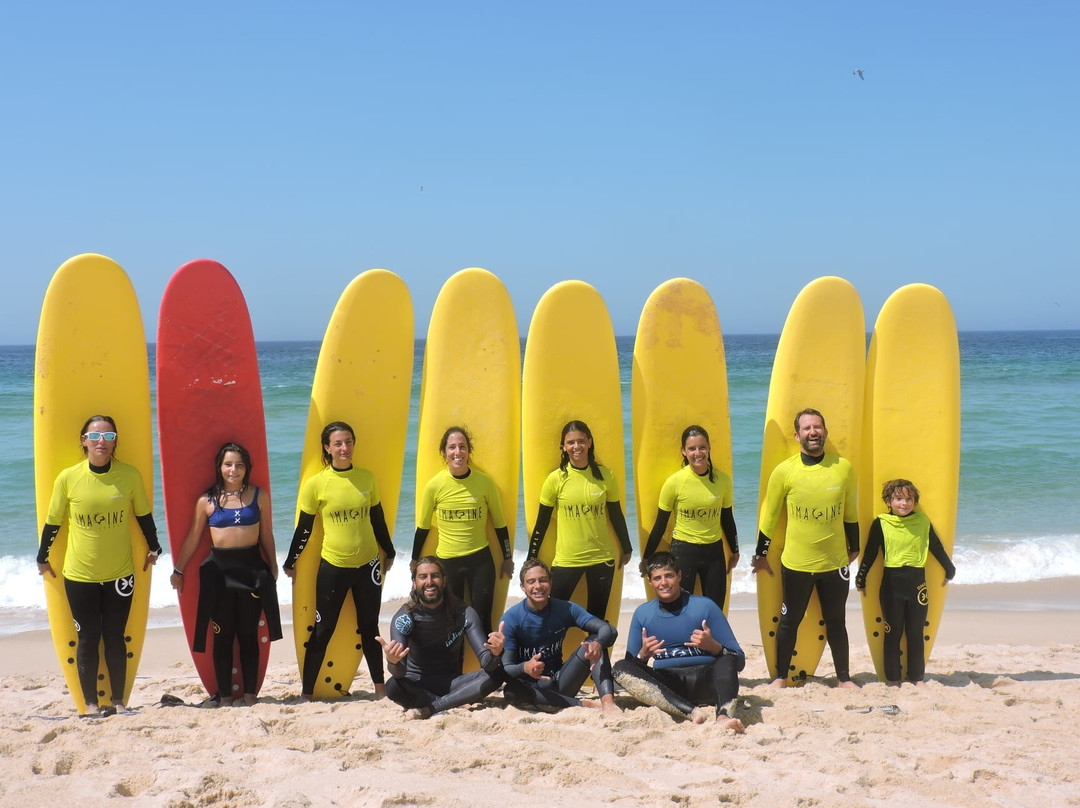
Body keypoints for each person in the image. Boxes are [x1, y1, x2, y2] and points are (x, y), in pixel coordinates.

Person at [36, 415, 164, 716]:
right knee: (88, 637)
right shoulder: (68, 478)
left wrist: (155, 547)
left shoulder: (129, 476)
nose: (101, 442)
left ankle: (118, 703)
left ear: (115, 441)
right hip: (80, 575)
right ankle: (91, 705)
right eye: (95, 436)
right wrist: (42, 557)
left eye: (109, 436)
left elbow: (143, 516)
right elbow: (53, 522)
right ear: (84, 441)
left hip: (121, 574)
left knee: (115, 636)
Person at [283, 421, 397, 699]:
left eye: (348, 442)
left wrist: (389, 551)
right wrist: (290, 561)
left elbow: (377, 518)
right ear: (327, 448)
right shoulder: (317, 485)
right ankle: (307, 692)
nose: (344, 448)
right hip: (333, 567)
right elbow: (305, 528)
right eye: (338, 443)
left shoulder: (367, 478)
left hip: (368, 565)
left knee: (370, 628)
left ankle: (379, 690)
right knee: (323, 629)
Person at [752, 408, 859, 688]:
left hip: (835, 563)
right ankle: (780, 677)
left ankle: (844, 678)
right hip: (797, 564)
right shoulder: (785, 471)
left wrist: (855, 546)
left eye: (818, 427)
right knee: (789, 622)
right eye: (807, 428)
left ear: (825, 431)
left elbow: (850, 512)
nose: (813, 432)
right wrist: (760, 555)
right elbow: (770, 517)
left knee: (837, 622)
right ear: (797, 435)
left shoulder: (843, 468)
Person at [170, 442, 282, 706]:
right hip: (219, 575)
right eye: (228, 464)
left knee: (248, 635)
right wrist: (178, 569)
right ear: (220, 467)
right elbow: (194, 538)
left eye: (239, 465)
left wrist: (273, 566)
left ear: (247, 468)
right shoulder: (206, 501)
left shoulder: (259, 496)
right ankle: (225, 698)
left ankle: (251, 696)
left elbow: (266, 533)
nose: (234, 470)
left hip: (251, 570)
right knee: (222, 636)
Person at [614, 552, 745, 730]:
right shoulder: (643, 614)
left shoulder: (705, 607)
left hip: (707, 682)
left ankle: (723, 716)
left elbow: (739, 660)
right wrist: (642, 657)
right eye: (657, 578)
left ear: (679, 576)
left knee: (726, 659)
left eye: (669, 576)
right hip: (669, 687)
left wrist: (714, 647)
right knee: (620, 667)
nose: (664, 583)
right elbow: (629, 673)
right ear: (650, 582)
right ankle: (690, 711)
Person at [526, 420, 633, 622]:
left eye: (581, 441)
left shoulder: (605, 476)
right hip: (567, 560)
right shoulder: (555, 479)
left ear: (590, 442)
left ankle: (598, 654)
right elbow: (542, 522)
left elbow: (616, 515)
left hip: (601, 559)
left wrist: (627, 548)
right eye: (571, 443)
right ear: (564, 447)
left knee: (597, 621)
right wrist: (532, 556)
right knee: (552, 618)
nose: (577, 447)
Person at [855, 478, 956, 686]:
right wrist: (861, 578)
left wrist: (950, 568)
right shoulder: (881, 523)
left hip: (917, 584)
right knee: (892, 633)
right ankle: (892, 679)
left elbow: (935, 547)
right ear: (888, 501)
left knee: (915, 633)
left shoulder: (922, 521)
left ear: (915, 501)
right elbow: (870, 553)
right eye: (899, 499)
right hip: (891, 585)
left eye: (909, 499)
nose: (904, 503)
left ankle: (917, 677)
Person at [412, 426, 513, 634]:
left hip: (481, 562)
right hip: (447, 563)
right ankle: (455, 666)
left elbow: (500, 524)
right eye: (452, 448)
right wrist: (414, 561)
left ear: (469, 450)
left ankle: (487, 666)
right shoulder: (434, 486)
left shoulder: (485, 483)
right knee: (452, 623)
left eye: (462, 447)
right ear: (444, 452)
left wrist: (508, 557)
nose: (457, 452)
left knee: (484, 620)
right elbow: (423, 527)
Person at [378, 556, 504, 719]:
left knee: (499, 672)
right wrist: (393, 662)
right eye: (423, 577)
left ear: (444, 580)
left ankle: (431, 708)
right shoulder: (405, 618)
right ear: (414, 583)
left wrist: (495, 654)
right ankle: (450, 702)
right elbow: (400, 673)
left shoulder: (464, 613)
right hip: (417, 684)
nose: (429, 582)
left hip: (453, 683)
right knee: (393, 686)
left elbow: (487, 663)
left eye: (435, 576)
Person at [499, 559, 619, 714]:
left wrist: (599, 643)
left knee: (593, 642)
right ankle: (581, 704)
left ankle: (608, 704)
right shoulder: (511, 618)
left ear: (550, 582)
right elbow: (506, 669)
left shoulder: (565, 608)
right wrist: (525, 667)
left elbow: (608, 630)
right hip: (531, 688)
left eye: (543, 580)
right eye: (531, 582)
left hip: (560, 681)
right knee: (511, 692)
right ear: (523, 587)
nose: (538, 586)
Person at [641, 425, 740, 611]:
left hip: (714, 553)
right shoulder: (674, 483)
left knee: (714, 609)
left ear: (709, 448)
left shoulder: (723, 481)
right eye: (692, 449)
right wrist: (647, 557)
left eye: (702, 447)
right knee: (681, 608)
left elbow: (727, 518)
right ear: (683, 452)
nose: (698, 453)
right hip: (683, 551)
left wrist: (735, 550)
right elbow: (660, 523)